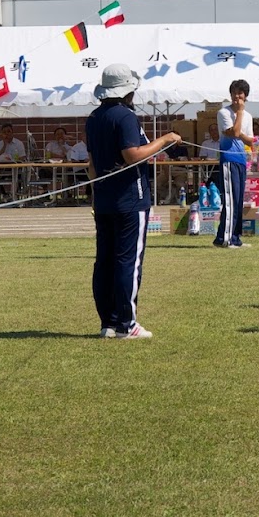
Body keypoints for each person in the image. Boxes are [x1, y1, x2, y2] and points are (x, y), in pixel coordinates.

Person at [87, 63, 182, 339]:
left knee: (104, 261)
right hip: (129, 199)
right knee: (128, 260)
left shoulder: (94, 118)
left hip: (104, 198)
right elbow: (132, 154)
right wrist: (165, 139)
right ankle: (127, 324)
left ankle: (109, 322)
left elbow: (92, 165)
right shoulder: (125, 116)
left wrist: (96, 194)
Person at [215, 79, 253, 249]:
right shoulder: (224, 113)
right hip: (228, 159)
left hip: (241, 159)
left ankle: (236, 237)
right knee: (230, 200)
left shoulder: (249, 116)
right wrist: (239, 113)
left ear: (245, 96)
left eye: (241, 93)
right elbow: (235, 132)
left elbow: (250, 140)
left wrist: (240, 134)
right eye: (234, 93)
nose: (237, 96)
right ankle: (225, 238)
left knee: (238, 201)